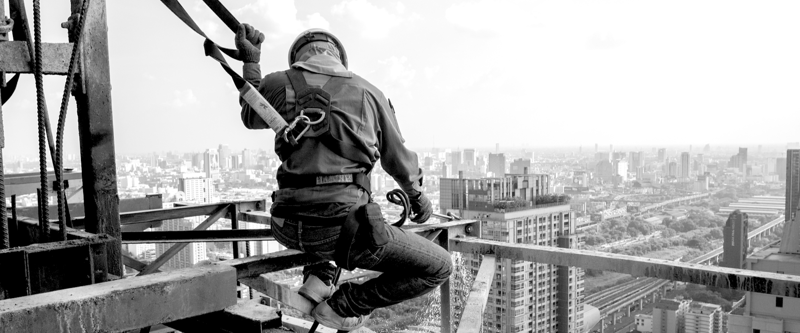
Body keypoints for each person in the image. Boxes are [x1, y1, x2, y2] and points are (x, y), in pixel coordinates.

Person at [235, 24, 453, 331]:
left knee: (330, 212)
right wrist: (417, 196)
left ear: (297, 57)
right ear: (338, 56)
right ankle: (343, 307)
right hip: (340, 231)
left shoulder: (275, 84)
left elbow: (249, 113)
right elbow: (398, 159)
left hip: (284, 224)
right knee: (439, 266)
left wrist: (251, 61)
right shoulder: (369, 92)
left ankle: (318, 278)